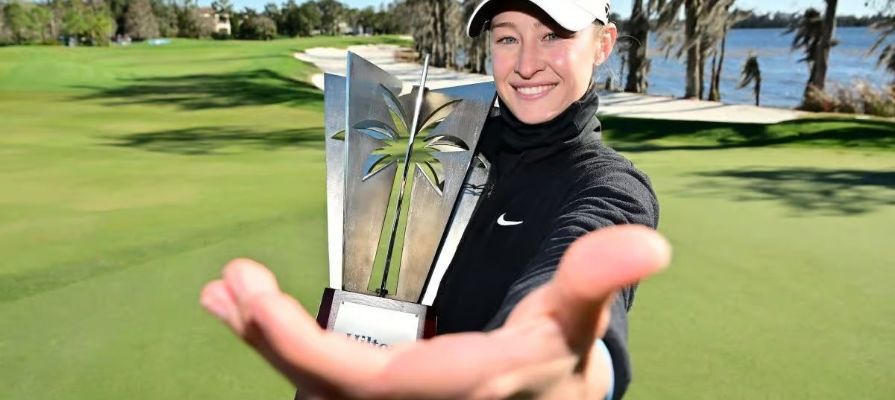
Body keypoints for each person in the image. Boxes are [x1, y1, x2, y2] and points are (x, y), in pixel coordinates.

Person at [200, 0, 669, 399]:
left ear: (603, 44)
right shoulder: (433, 142)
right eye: (507, 38)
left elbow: (574, 288)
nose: (527, 63)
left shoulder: (610, 187)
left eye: (552, 36)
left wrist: (562, 361)